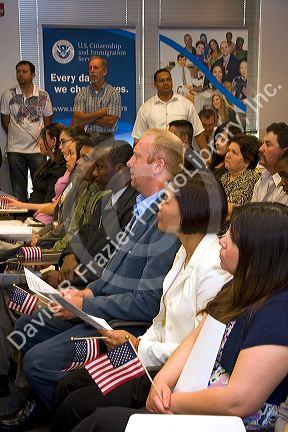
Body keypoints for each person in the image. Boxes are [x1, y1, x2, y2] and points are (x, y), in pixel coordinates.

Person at [7, 129, 182, 421]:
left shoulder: (167, 219)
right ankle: (52, 404)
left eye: (137, 156)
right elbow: (112, 271)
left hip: (122, 326)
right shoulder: (143, 207)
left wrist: (86, 304)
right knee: (28, 327)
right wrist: (86, 293)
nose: (129, 163)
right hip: (101, 310)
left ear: (159, 165)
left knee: (37, 363)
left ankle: (68, 415)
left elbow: (147, 302)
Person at [68, 202, 288, 432]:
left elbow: (238, 400)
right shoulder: (199, 263)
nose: (222, 239)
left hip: (181, 385)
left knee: (93, 415)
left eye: (233, 236)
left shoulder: (272, 309)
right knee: (73, 387)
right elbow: (188, 334)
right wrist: (162, 380)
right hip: (161, 364)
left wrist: (142, 352)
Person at [50, 171, 232, 432]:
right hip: (150, 355)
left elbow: (197, 350)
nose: (159, 205)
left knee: (78, 405)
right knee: (69, 384)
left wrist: (138, 347)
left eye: (167, 200)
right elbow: (161, 319)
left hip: (171, 376)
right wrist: (139, 343)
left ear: (189, 212)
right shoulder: (183, 252)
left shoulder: (213, 268)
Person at [42, 140, 137, 287]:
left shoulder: (132, 208)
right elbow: (84, 233)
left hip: (94, 292)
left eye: (99, 167)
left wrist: (66, 281)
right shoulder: (105, 199)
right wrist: (70, 253)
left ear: (120, 170)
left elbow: (109, 263)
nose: (94, 173)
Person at [0, 60, 53, 202]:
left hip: (37, 150)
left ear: (33, 75)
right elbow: (5, 121)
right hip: (15, 150)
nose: (20, 75)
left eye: (24, 72)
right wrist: (16, 134)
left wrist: (43, 140)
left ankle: (36, 218)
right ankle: (20, 220)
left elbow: (48, 120)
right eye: (18, 72)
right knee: (18, 191)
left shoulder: (43, 95)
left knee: (40, 188)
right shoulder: (7, 95)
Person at [132, 69, 208, 154]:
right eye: (162, 80)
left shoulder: (186, 105)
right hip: (155, 159)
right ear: (155, 84)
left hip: (182, 159)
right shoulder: (145, 108)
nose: (166, 83)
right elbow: (138, 139)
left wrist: (206, 157)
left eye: (168, 79)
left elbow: (198, 133)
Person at [219, 133, 261, 232]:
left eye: (234, 152)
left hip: (231, 236)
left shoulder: (250, 178)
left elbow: (227, 213)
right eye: (228, 150)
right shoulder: (225, 177)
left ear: (247, 161)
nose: (228, 155)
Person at [72, 56, 121, 137]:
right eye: (90, 68)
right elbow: (77, 119)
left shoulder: (113, 94)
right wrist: (100, 113)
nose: (92, 71)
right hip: (87, 140)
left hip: (107, 142)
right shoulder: (82, 94)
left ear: (104, 71)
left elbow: (110, 122)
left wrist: (86, 118)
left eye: (96, 68)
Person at [251, 122, 288, 205]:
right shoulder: (262, 179)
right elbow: (252, 214)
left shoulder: (285, 184)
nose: (260, 149)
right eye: (263, 143)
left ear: (284, 151)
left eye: (268, 144)